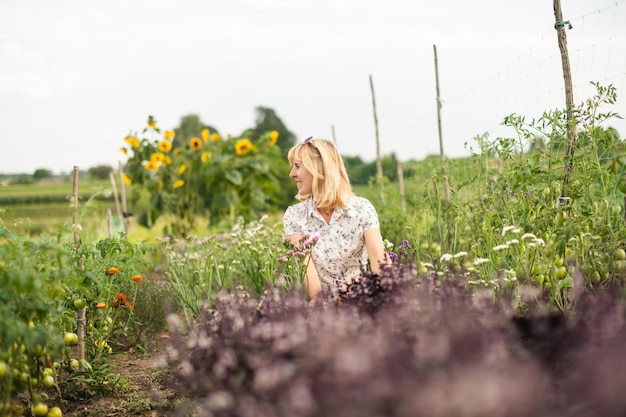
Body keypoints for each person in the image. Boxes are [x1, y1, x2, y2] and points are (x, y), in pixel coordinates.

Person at [282, 137, 389, 300]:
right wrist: (337, 299)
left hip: (361, 297)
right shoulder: (294, 217)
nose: (292, 174)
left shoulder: (362, 209)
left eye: (297, 166)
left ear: (319, 168)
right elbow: (315, 292)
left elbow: (380, 265)